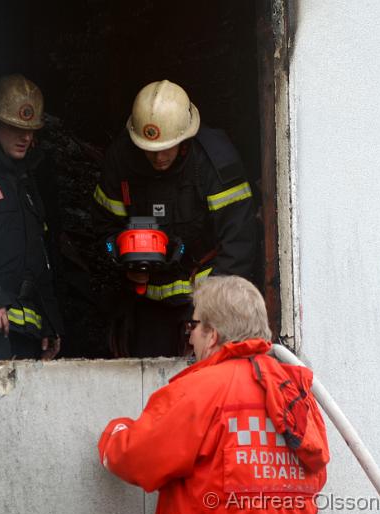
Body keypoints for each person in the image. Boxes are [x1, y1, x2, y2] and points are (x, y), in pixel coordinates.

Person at [98, 276, 329, 514]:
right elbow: (317, 474)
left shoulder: (199, 391)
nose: (190, 339)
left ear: (212, 336)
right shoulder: (297, 394)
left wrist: (114, 433)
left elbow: (136, 458)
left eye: (193, 326)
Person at [92, 80, 258, 357]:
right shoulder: (120, 160)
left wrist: (210, 312)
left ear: (185, 138)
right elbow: (103, 228)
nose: (158, 157)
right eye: (149, 149)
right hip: (145, 306)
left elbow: (239, 243)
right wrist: (119, 254)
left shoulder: (214, 162)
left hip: (205, 306)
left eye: (167, 148)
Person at [0, 74, 63, 360]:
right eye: (15, 128)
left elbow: (40, 260)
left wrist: (51, 325)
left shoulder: (27, 183)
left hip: (29, 334)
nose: (26, 137)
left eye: (30, 129)